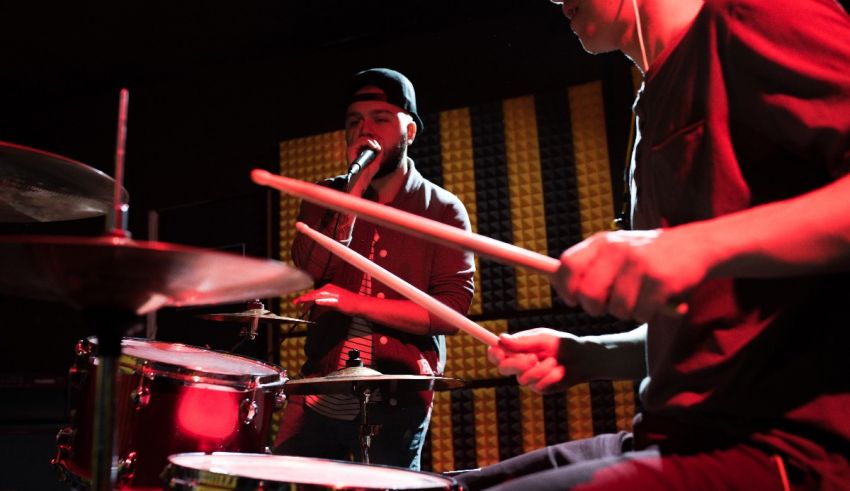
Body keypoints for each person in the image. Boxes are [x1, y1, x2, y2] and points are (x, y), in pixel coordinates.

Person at [455, 0, 850, 489]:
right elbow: (715, 325)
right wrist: (587, 354)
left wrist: (696, 246)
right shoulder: (648, 105)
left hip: (783, 449)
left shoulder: (759, 14)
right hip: (670, 434)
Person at [274, 68, 475, 470]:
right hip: (324, 386)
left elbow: (451, 312)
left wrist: (355, 303)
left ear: (410, 132)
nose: (364, 130)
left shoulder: (442, 209)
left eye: (380, 119)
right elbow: (312, 268)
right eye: (354, 121)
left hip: (398, 395)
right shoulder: (324, 197)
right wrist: (351, 198)